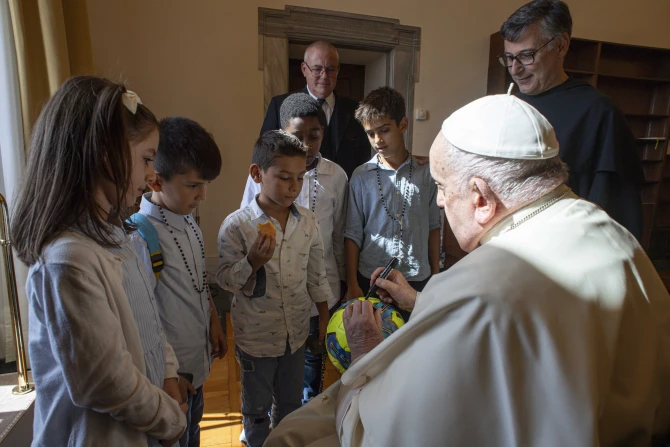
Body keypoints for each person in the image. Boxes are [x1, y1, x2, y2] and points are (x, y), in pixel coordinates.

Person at [264, 93, 670, 446]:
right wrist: (419, 301)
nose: (440, 202)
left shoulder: (475, 287)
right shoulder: (617, 237)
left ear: (481, 198)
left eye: (442, 188)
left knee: (290, 436)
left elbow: (386, 433)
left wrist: (365, 353)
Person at [10, 76, 186, 446]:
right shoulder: (69, 261)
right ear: (106, 152)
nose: (152, 175)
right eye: (147, 159)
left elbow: (148, 321)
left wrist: (167, 371)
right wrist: (170, 419)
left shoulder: (117, 239)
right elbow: (106, 383)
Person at [217, 131, 332, 447]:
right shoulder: (236, 226)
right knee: (256, 408)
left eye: (300, 177)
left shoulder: (307, 221)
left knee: (290, 403)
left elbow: (316, 273)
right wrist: (252, 262)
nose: (294, 186)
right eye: (284, 178)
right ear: (257, 174)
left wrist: (323, 315)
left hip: (295, 334)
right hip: (255, 339)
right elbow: (225, 280)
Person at [500, 0, 644, 239]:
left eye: (526, 55)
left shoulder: (599, 112)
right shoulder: (509, 106)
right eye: (509, 57)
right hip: (510, 243)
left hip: (565, 246)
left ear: (561, 45)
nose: (515, 69)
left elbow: (615, 210)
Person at [241, 92, 347, 405]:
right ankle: (271, 413)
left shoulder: (337, 176)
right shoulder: (265, 173)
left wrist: (340, 282)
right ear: (283, 132)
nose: (306, 144)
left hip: (320, 289)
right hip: (274, 292)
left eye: (314, 136)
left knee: (312, 361)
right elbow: (247, 221)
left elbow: (338, 233)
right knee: (275, 364)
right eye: (297, 136)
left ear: (323, 134)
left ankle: (304, 411)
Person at [131, 117, 226, 447]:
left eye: (205, 184)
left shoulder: (188, 222)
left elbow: (199, 279)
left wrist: (214, 319)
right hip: (170, 378)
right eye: (193, 185)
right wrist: (165, 374)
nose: (203, 195)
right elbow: (142, 320)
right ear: (156, 181)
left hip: (196, 364)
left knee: (194, 432)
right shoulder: (141, 236)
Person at [344, 87, 441, 319]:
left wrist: (437, 276)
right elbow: (353, 233)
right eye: (370, 133)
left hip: (417, 277)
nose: (378, 140)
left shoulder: (426, 174)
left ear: (403, 125)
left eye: (385, 130)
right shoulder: (361, 176)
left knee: (415, 338)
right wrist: (352, 283)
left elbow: (433, 226)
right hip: (371, 278)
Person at [260, 41, 370, 179]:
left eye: (330, 69)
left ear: (338, 70)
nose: (324, 76)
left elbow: (363, 161)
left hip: (341, 190)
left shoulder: (356, 110)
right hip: (295, 188)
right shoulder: (280, 105)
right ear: (304, 69)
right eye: (317, 69)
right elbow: (265, 155)